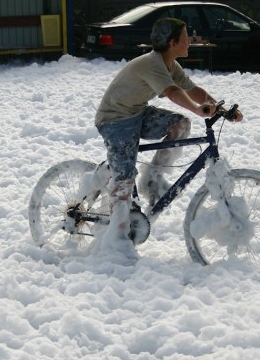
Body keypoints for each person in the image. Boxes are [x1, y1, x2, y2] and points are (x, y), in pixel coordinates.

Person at [93, 17, 242, 257]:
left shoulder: (170, 64)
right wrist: (197, 109)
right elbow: (173, 92)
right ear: (172, 42)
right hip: (115, 120)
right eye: (185, 38)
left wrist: (218, 108)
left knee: (180, 125)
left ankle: (152, 179)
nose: (189, 42)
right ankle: (118, 243)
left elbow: (192, 89)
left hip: (137, 113)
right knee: (124, 180)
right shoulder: (152, 63)